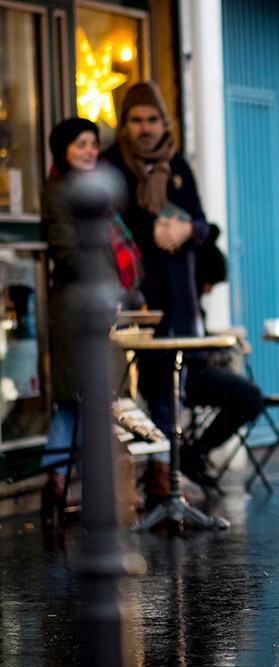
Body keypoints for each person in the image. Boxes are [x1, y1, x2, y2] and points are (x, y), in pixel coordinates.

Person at [102, 81, 264, 506]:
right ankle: (160, 479)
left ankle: (171, 470)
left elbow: (207, 228)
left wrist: (186, 230)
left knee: (175, 390)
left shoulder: (179, 166)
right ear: (125, 124)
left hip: (180, 301)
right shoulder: (110, 167)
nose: (145, 129)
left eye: (152, 119)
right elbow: (103, 231)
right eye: (136, 120)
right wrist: (148, 231)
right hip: (134, 302)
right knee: (154, 390)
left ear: (164, 122)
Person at [39, 117, 141, 529]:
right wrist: (103, 284)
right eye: (80, 144)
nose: (89, 151)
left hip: (97, 302)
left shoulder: (96, 192)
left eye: (93, 144)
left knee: (88, 396)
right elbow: (65, 245)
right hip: (74, 303)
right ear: (62, 149)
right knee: (75, 398)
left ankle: (65, 487)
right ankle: (60, 487)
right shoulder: (59, 190)